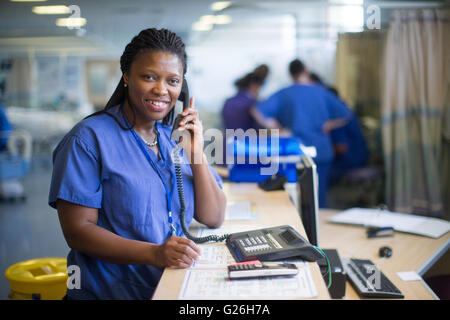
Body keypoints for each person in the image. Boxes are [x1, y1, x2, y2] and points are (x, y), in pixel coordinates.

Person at [48, 28, 226, 300]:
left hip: (168, 289)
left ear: (182, 89)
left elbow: (213, 217)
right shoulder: (87, 140)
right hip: (108, 294)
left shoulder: (171, 139)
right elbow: (78, 232)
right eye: (149, 76)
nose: (161, 90)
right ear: (127, 77)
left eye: (173, 81)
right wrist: (155, 253)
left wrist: (197, 153)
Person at [255, 59, 351, 207]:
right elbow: (346, 113)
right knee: (318, 197)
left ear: (290, 74)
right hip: (320, 151)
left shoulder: (285, 93)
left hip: (294, 152)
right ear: (306, 70)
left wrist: (276, 127)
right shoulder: (321, 92)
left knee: (293, 198)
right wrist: (328, 125)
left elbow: (257, 110)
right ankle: (317, 228)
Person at [308, 73, 369, 184]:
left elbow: (341, 147)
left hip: (350, 160)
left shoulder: (337, 117)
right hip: (356, 157)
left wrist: (316, 150)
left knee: (314, 175)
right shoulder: (343, 110)